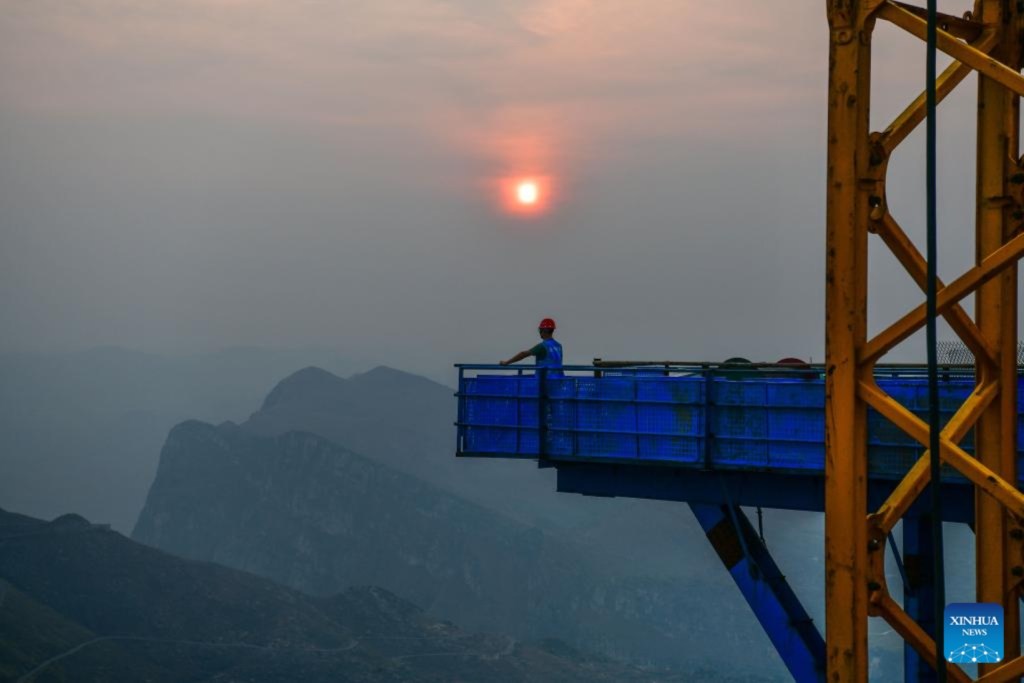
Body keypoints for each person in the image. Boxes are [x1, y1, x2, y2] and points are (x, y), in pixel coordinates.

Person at [499, 318, 564, 376]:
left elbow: (523, 354)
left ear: (544, 330)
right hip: (559, 379)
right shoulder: (558, 346)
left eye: (540, 330)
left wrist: (507, 362)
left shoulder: (542, 346)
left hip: (545, 380)